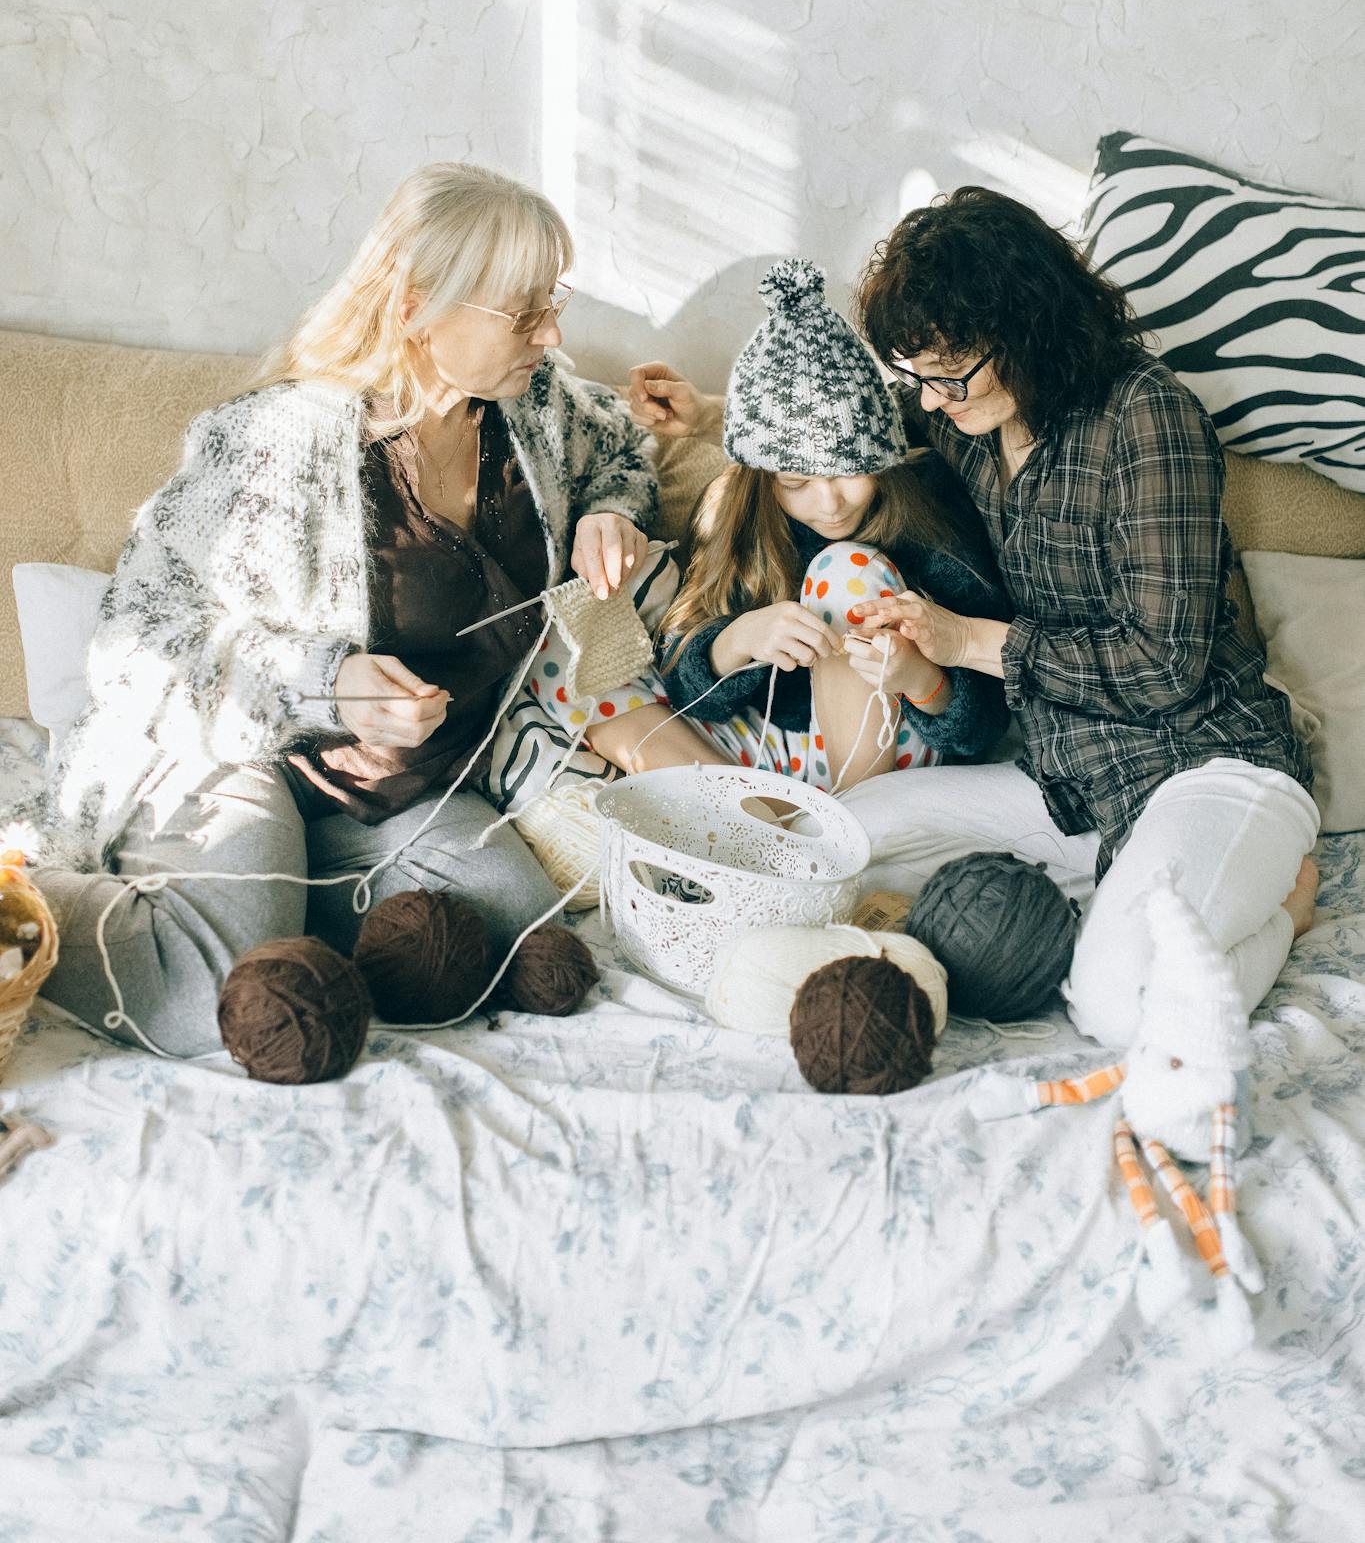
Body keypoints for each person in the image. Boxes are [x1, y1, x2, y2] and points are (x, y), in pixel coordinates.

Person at [32, 163, 723, 1057]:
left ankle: (281, 898)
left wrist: (609, 515)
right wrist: (327, 684)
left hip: (408, 789)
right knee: (204, 998)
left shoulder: (535, 408)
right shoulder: (277, 443)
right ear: (415, 309)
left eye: (552, 302)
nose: (552, 335)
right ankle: (32, 897)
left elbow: (620, 453)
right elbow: (137, 643)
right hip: (248, 761)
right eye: (524, 314)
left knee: (514, 923)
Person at [631, 190, 1319, 1049]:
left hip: (1200, 764)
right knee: (818, 851)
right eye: (917, 374)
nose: (929, 395)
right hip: (1061, 785)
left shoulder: (1147, 417)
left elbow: (1164, 666)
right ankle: (1133, 895)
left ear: (1027, 331)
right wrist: (711, 417)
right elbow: (845, 426)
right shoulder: (962, 416)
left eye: (947, 371)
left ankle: (1285, 904)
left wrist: (962, 642)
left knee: (1116, 1005)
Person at [647, 258, 1009, 794]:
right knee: (574, 663)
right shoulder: (733, 509)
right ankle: (758, 820)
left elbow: (988, 724)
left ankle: (854, 816)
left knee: (845, 569)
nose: (830, 503)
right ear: (763, 479)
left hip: (897, 751)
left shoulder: (926, 510)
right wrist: (740, 640)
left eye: (853, 472)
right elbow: (680, 678)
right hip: (780, 751)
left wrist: (920, 679)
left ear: (885, 458)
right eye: (795, 481)